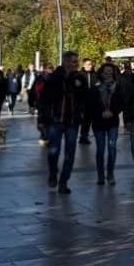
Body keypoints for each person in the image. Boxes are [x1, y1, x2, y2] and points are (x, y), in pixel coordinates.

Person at [41, 52, 89, 194]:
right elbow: (44, 99)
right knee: (53, 151)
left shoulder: (80, 77)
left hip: (73, 121)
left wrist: (78, 87)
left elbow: (85, 97)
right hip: (56, 120)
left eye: (76, 62)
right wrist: (42, 119)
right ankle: (53, 172)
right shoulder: (54, 77)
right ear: (65, 62)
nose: (74, 64)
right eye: (72, 61)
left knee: (70, 154)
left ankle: (63, 182)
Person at [86, 62, 124, 185]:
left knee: (112, 148)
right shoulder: (95, 87)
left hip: (112, 122)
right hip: (99, 122)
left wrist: (113, 112)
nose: (108, 73)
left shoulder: (118, 87)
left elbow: (121, 102)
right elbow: (90, 105)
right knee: (100, 149)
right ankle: (100, 175)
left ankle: (110, 173)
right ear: (101, 73)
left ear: (113, 73)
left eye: (110, 71)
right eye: (106, 71)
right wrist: (100, 113)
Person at [78, 58, 98, 145]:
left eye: (91, 64)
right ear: (84, 65)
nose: (90, 66)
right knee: (84, 120)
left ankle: (86, 136)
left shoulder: (95, 74)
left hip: (93, 102)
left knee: (90, 120)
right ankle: (83, 136)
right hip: (82, 102)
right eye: (88, 64)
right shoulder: (79, 75)